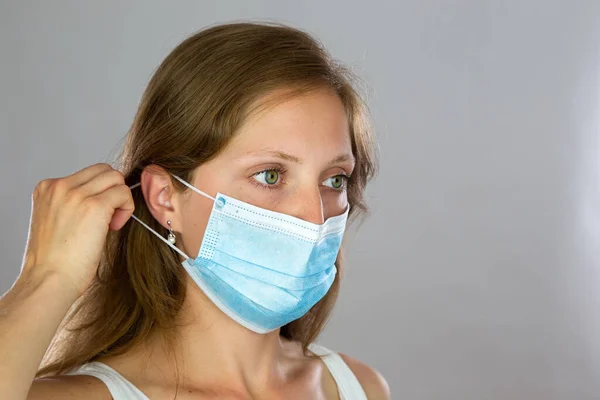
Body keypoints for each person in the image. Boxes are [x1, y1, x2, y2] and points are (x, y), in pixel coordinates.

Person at [0, 22, 390, 399]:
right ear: (166, 198)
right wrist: (49, 276)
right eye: (270, 175)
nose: (315, 216)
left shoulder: (358, 387)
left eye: (334, 179)